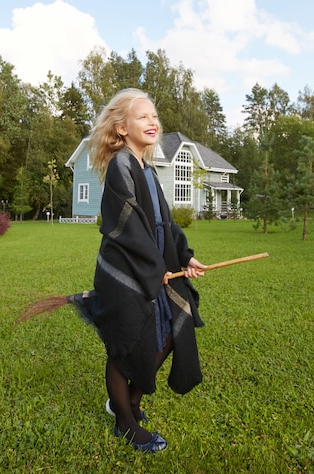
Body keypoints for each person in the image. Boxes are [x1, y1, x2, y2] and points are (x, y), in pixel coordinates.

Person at [86, 88, 207, 453]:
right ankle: (124, 420)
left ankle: (130, 403)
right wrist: (155, 268)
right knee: (126, 346)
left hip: (152, 269)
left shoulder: (149, 171)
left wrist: (183, 257)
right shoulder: (120, 166)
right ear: (121, 128)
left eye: (155, 116)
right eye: (143, 117)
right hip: (125, 270)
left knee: (172, 329)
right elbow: (126, 229)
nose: (153, 122)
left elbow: (165, 224)